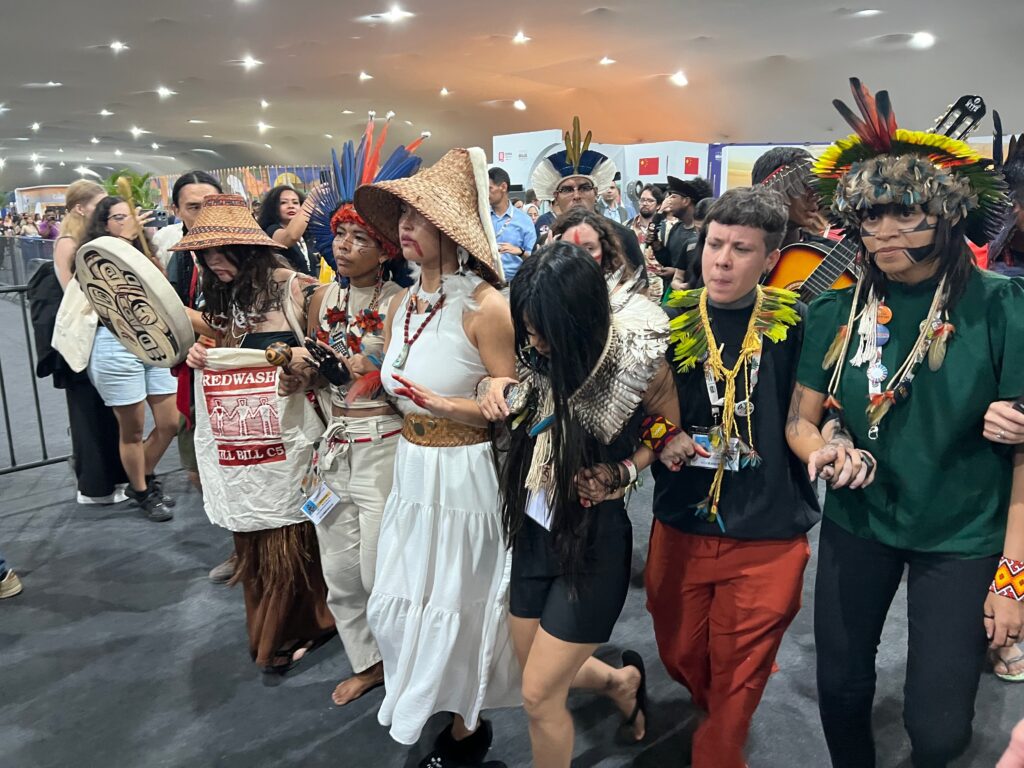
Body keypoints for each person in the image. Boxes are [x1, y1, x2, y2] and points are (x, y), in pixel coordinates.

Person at [786, 78, 1024, 768]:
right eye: (869, 218)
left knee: (940, 726)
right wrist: (826, 447)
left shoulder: (999, 307)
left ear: (946, 216)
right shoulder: (835, 312)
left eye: (903, 214)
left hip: (964, 535)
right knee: (840, 684)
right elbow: (801, 420)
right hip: (859, 523)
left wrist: (1013, 580)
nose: (883, 232)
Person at [479, 242, 681, 767]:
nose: (536, 341)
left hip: (594, 542)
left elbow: (665, 428)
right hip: (530, 531)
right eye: (528, 328)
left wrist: (624, 470)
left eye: (546, 328)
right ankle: (621, 682)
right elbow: (503, 387)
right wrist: (488, 386)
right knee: (536, 675)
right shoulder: (530, 350)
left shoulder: (636, 350)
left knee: (538, 695)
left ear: (579, 316)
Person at [353, 147, 520, 766]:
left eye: (418, 217)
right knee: (407, 598)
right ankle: (438, 709)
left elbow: (512, 405)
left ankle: (467, 731)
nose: (404, 228)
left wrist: (452, 409)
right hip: (413, 472)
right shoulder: (400, 304)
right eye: (401, 217)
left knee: (460, 603)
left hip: (466, 478)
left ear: (451, 229)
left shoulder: (487, 307)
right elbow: (392, 385)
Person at [647, 186, 819, 768]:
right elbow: (630, 409)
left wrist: (835, 441)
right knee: (678, 650)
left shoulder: (799, 324)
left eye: (740, 249)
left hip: (769, 529)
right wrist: (657, 436)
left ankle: (721, 743)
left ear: (770, 259)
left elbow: (820, 408)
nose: (721, 260)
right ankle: (714, 700)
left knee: (741, 669)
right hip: (681, 521)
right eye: (714, 244)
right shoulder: (665, 320)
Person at [283, 118, 424, 706]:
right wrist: (305, 371)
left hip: (385, 446)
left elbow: (411, 388)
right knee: (339, 574)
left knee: (378, 571)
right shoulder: (320, 297)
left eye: (358, 239)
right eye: (339, 235)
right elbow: (317, 376)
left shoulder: (401, 305)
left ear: (386, 250)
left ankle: (406, 662)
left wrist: (366, 378)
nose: (343, 246)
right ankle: (369, 662)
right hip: (333, 444)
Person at [179, 194, 335, 673]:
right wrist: (201, 354)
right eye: (204, 255)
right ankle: (274, 629)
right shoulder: (228, 295)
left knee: (295, 533)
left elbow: (330, 356)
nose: (212, 262)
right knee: (254, 532)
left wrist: (296, 364)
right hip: (244, 448)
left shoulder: (300, 290)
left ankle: (307, 625)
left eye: (222, 252)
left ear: (250, 251)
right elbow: (224, 341)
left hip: (292, 439)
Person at [84, 197, 178, 521]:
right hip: (114, 343)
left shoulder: (145, 251)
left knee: (170, 422)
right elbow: (107, 289)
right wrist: (124, 239)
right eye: (118, 217)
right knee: (133, 430)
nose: (128, 221)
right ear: (105, 223)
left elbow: (162, 290)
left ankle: (143, 477)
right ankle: (141, 490)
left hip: (154, 339)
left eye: (130, 216)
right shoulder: (95, 254)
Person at [50, 180, 130, 505]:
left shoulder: (90, 239)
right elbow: (77, 293)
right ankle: (95, 486)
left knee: (112, 411)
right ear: (81, 207)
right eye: (98, 203)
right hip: (85, 339)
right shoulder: (68, 243)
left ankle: (116, 477)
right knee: (89, 413)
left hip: (105, 335)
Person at [529, 117, 645, 270]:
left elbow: (641, 289)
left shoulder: (623, 236)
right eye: (567, 190)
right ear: (556, 197)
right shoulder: (545, 242)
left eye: (584, 188)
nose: (576, 195)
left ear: (596, 192)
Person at [549, 207, 650, 305]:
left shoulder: (624, 301)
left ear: (604, 250)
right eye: (569, 248)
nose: (579, 256)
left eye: (589, 249)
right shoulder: (545, 291)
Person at [751, 146, 834, 249]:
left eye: (816, 188)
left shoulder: (828, 252)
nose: (815, 197)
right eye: (803, 187)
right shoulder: (738, 250)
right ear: (775, 191)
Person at [651, 176, 713, 294]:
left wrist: (675, 272)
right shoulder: (676, 228)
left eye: (673, 196)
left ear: (686, 201)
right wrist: (655, 242)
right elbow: (668, 260)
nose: (669, 201)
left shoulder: (704, 235)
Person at [155, 170, 224, 268]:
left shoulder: (242, 245)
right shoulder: (164, 240)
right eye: (195, 208)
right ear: (176, 211)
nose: (205, 216)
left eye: (212, 206)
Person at [488, 166, 536, 282]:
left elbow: (535, 259)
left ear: (503, 187)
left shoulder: (524, 221)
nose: (485, 193)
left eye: (489, 188)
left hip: (514, 286)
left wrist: (520, 252)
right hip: (485, 285)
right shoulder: (481, 218)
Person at [258, 184, 317, 275]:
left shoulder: (305, 235)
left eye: (295, 202)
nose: (291, 206)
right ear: (273, 208)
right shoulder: (271, 230)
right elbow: (290, 237)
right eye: (283, 202)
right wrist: (311, 201)